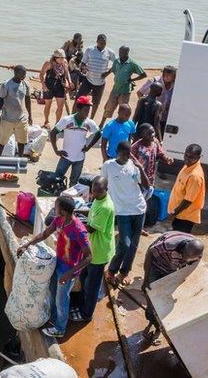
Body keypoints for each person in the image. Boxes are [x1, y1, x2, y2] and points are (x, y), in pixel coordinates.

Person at [16, 195, 92, 338]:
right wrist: (26, 245)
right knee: (51, 292)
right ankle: (53, 318)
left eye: (56, 206)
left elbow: (88, 257)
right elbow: (45, 234)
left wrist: (69, 274)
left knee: (61, 299)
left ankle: (60, 328)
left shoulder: (79, 230)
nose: (54, 208)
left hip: (68, 269)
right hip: (57, 262)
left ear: (62, 211)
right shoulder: (59, 220)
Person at [140, 231, 205, 346]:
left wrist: (177, 280)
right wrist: (146, 279)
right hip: (156, 264)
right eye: (184, 255)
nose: (184, 259)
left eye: (188, 259)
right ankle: (153, 321)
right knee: (151, 296)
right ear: (184, 247)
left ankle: (157, 326)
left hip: (171, 270)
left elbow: (188, 270)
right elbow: (150, 253)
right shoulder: (168, 245)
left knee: (163, 301)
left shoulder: (197, 254)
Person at [102, 141, 149, 286]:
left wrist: (140, 168)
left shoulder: (133, 167)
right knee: (125, 243)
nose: (127, 157)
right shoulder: (108, 166)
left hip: (138, 208)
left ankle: (124, 272)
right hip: (122, 211)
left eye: (129, 154)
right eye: (124, 154)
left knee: (134, 245)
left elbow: (146, 186)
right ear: (117, 152)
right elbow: (102, 185)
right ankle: (111, 270)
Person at [78, 176, 115, 322]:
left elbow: (91, 229)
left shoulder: (106, 207)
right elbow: (91, 214)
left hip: (98, 253)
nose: (95, 193)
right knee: (83, 278)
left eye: (99, 191)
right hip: (91, 249)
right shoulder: (98, 200)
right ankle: (82, 306)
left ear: (106, 190)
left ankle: (86, 314)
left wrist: (74, 223)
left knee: (91, 287)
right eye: (93, 190)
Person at [131, 123, 173, 235]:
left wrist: (167, 159)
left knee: (144, 206)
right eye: (150, 133)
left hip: (150, 181)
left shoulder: (155, 143)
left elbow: (160, 153)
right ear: (142, 135)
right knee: (136, 205)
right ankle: (133, 227)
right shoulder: (135, 147)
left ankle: (139, 227)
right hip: (138, 183)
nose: (153, 134)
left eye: (153, 132)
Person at [49, 95, 100, 186]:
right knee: (57, 178)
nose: (87, 113)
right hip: (66, 156)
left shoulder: (89, 122)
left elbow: (98, 133)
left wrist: (88, 147)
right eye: (85, 110)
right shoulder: (66, 120)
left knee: (74, 182)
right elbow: (52, 133)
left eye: (88, 110)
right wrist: (56, 150)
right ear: (78, 109)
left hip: (80, 158)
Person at [101, 46, 146, 123]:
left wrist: (132, 79)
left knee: (123, 111)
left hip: (125, 91)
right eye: (119, 52)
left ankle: (121, 126)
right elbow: (113, 69)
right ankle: (101, 125)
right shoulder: (117, 61)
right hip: (115, 89)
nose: (120, 54)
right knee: (108, 107)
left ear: (127, 52)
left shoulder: (132, 63)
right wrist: (106, 73)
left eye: (122, 52)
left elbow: (143, 74)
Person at [166, 144, 205, 233]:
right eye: (186, 155)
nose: (187, 159)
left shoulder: (195, 176)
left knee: (179, 240)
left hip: (185, 217)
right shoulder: (188, 165)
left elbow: (188, 201)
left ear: (199, 157)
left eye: (191, 157)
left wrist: (174, 213)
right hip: (179, 214)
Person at [0, 65, 32, 156]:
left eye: (25, 74)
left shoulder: (25, 84)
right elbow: (0, 100)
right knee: (2, 141)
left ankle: (20, 159)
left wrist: (30, 115)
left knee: (22, 141)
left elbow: (27, 99)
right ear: (16, 73)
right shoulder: (6, 84)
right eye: (23, 74)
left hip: (21, 119)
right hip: (7, 118)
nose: (25, 75)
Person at [77, 34, 117, 119]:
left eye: (104, 43)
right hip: (88, 80)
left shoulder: (109, 52)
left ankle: (91, 119)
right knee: (79, 98)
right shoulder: (90, 50)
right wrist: (84, 68)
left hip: (100, 83)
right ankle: (75, 116)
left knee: (96, 103)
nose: (103, 45)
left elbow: (117, 64)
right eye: (101, 43)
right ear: (97, 41)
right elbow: (83, 63)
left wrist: (108, 72)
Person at [39, 49, 73, 127]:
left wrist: (69, 81)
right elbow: (41, 75)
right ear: (55, 57)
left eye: (63, 57)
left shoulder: (64, 62)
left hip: (60, 86)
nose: (62, 59)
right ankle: (46, 121)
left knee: (60, 106)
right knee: (48, 105)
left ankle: (57, 123)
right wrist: (43, 86)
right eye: (60, 58)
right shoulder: (48, 63)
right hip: (49, 86)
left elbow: (67, 73)